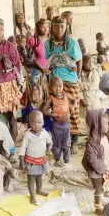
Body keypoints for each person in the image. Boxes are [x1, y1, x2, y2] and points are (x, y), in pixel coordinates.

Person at [45, 16, 82, 154]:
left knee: (72, 110)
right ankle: (58, 140)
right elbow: (45, 60)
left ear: (66, 27)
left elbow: (79, 59)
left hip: (70, 80)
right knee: (56, 110)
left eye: (62, 26)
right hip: (55, 80)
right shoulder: (48, 44)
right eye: (56, 26)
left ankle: (74, 140)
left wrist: (77, 75)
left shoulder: (71, 42)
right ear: (52, 27)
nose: (59, 29)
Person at [82, 109, 109, 215]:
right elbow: (91, 158)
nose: (108, 126)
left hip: (104, 166)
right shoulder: (93, 141)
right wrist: (102, 169)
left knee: (105, 185)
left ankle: (102, 201)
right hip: (97, 170)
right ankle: (98, 207)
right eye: (106, 124)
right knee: (98, 188)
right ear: (97, 126)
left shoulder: (103, 136)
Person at [42, 76, 77, 167]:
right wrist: (52, 114)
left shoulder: (66, 95)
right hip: (56, 125)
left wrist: (72, 108)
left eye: (60, 86)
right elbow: (43, 111)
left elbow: (75, 100)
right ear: (51, 87)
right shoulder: (51, 99)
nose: (58, 89)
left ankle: (67, 161)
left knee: (67, 144)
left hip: (66, 125)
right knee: (57, 144)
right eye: (55, 86)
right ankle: (57, 160)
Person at [19, 110, 52, 205]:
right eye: (33, 122)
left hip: (41, 160)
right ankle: (32, 195)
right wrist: (21, 161)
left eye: (39, 122)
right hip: (30, 161)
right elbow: (23, 148)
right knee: (31, 178)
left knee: (39, 176)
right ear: (29, 123)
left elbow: (49, 142)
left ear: (43, 122)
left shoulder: (44, 133)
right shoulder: (27, 135)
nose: (36, 125)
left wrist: (49, 149)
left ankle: (39, 190)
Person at [27, 18, 50, 100]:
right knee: (37, 95)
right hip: (36, 72)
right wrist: (41, 68)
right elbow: (29, 59)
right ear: (37, 28)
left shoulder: (51, 41)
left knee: (48, 95)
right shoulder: (33, 41)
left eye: (47, 26)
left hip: (49, 72)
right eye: (43, 27)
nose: (46, 28)